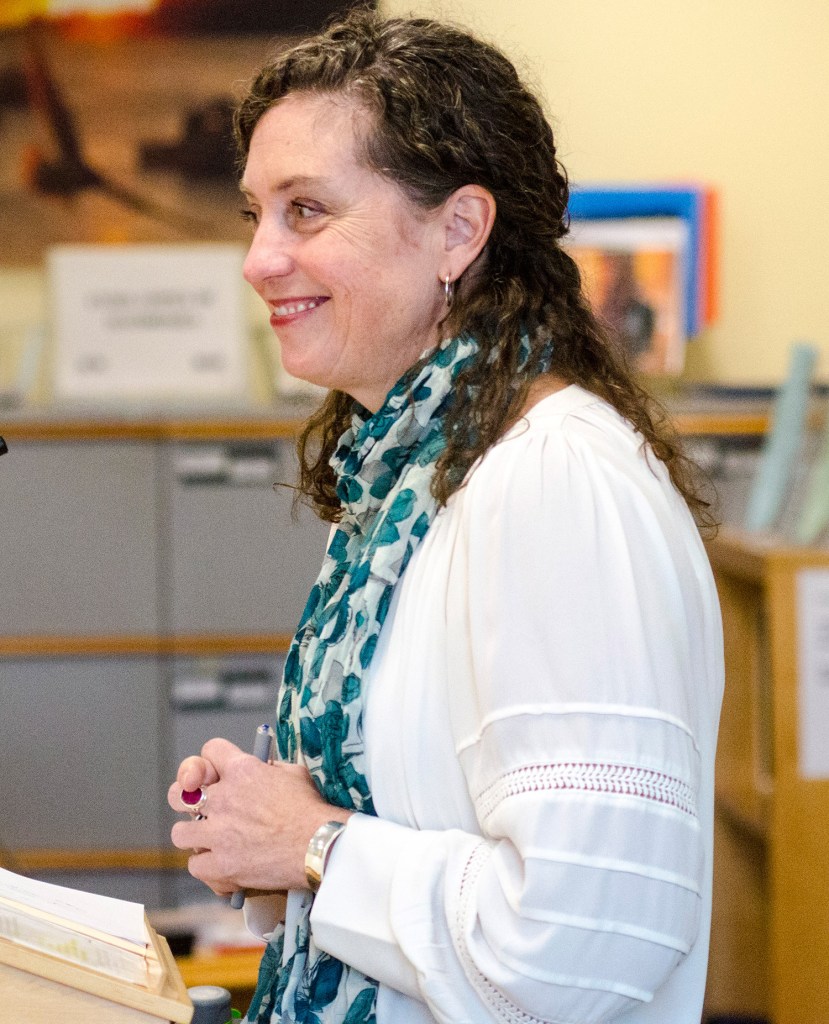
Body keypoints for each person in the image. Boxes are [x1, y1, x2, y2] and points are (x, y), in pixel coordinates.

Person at [168, 10, 724, 1024]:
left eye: (304, 211)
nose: (256, 259)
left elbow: (584, 948)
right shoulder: (412, 471)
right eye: (256, 212)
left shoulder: (554, 484)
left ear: (458, 230)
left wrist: (315, 843)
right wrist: (266, 830)